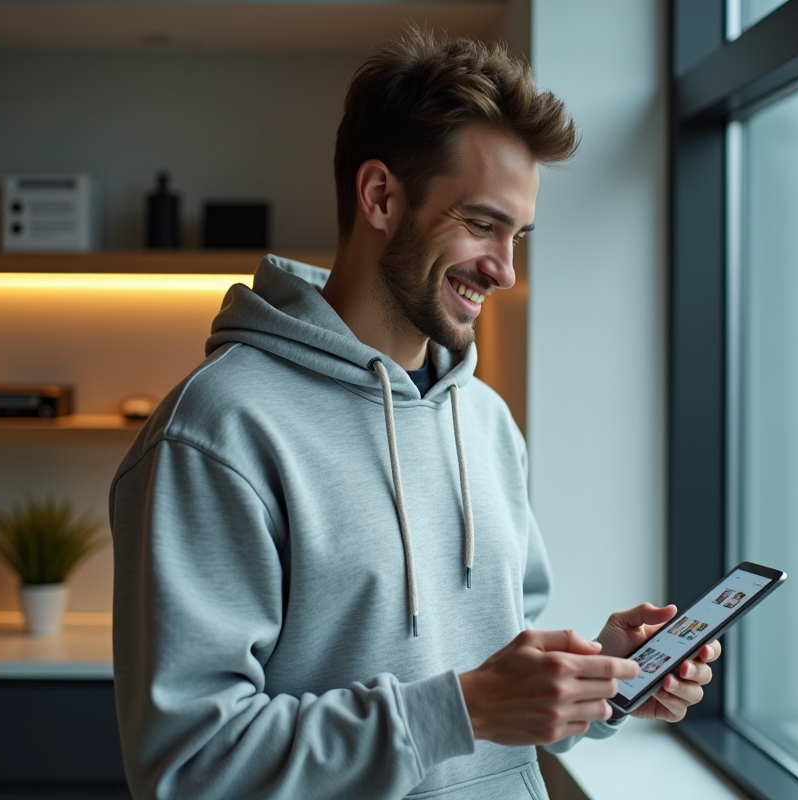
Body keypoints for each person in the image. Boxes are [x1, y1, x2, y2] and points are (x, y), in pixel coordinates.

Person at [109, 30, 720, 800]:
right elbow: (191, 767)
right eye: (481, 224)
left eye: (519, 234)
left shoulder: (486, 419)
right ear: (380, 197)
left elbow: (490, 673)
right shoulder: (216, 433)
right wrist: (462, 707)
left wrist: (604, 672)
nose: (505, 269)